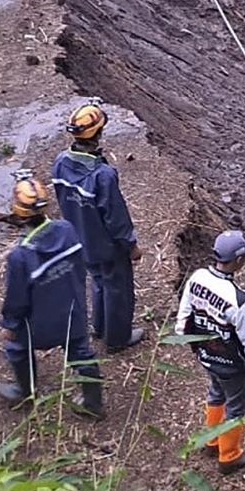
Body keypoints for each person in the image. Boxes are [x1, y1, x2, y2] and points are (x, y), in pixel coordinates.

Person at [0, 171, 104, 418]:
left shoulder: (20, 256)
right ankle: (93, 403)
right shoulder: (67, 230)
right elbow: (79, 267)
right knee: (82, 353)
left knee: (17, 347)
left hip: (38, 326)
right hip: (72, 313)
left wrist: (10, 324)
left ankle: (27, 391)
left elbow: (16, 298)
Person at [51, 99, 146, 353]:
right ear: (99, 133)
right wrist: (131, 245)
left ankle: (100, 326)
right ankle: (117, 339)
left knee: (98, 281)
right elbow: (116, 218)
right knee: (118, 290)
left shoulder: (61, 163)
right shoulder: (102, 175)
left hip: (79, 239)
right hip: (107, 246)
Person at [175, 228, 245, 474]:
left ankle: (212, 440)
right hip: (233, 364)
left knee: (216, 393)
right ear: (239, 261)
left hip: (206, 353)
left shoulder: (197, 278)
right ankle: (229, 455)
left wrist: (189, 342)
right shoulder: (239, 300)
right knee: (236, 406)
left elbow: (185, 312)